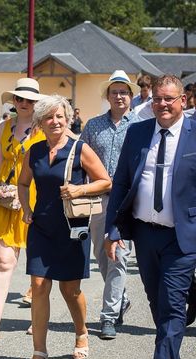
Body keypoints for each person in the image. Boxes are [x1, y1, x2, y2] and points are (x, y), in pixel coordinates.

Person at [105, 75, 196, 359]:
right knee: (157, 300)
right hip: (144, 232)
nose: (163, 105)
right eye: (158, 98)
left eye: (170, 99)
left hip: (182, 236)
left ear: (183, 100)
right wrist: (113, 229)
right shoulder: (138, 133)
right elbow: (121, 182)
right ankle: (170, 353)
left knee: (172, 302)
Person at [17, 95, 111, 359]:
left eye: (60, 116)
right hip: (41, 227)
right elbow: (23, 183)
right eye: (49, 117)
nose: (55, 121)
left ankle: (81, 332)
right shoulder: (33, 151)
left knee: (70, 290)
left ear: (67, 119)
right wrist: (26, 209)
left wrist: (79, 190)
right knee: (39, 285)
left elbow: (106, 181)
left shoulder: (79, 149)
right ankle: (39, 353)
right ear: (40, 122)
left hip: (73, 228)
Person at [0, 78, 47, 341]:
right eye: (20, 99)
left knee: (37, 265)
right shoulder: (4, 127)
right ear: (14, 102)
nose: (24, 103)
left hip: (36, 200)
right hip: (5, 201)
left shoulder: (44, 128)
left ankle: (38, 320)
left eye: (30, 100)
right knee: (3, 261)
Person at [80, 70, 141, 340]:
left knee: (119, 257)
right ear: (107, 96)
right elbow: (80, 160)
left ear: (131, 96)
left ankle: (108, 316)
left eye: (124, 92)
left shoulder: (140, 126)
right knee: (101, 256)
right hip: (98, 200)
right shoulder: (93, 126)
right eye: (115, 92)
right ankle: (121, 298)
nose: (119, 96)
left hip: (128, 202)